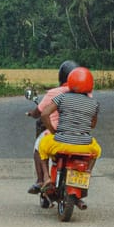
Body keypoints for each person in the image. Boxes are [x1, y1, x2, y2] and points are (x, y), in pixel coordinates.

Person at [36, 66, 101, 203]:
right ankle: (87, 173)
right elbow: (93, 124)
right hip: (84, 145)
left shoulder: (62, 97)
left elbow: (44, 114)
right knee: (97, 151)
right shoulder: (94, 103)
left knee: (41, 146)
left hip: (61, 141)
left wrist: (53, 131)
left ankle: (47, 178)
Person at [27, 60, 78, 193]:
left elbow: (41, 113)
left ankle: (42, 179)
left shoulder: (55, 93)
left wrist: (52, 129)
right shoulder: (86, 94)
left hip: (58, 134)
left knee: (39, 147)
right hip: (79, 135)